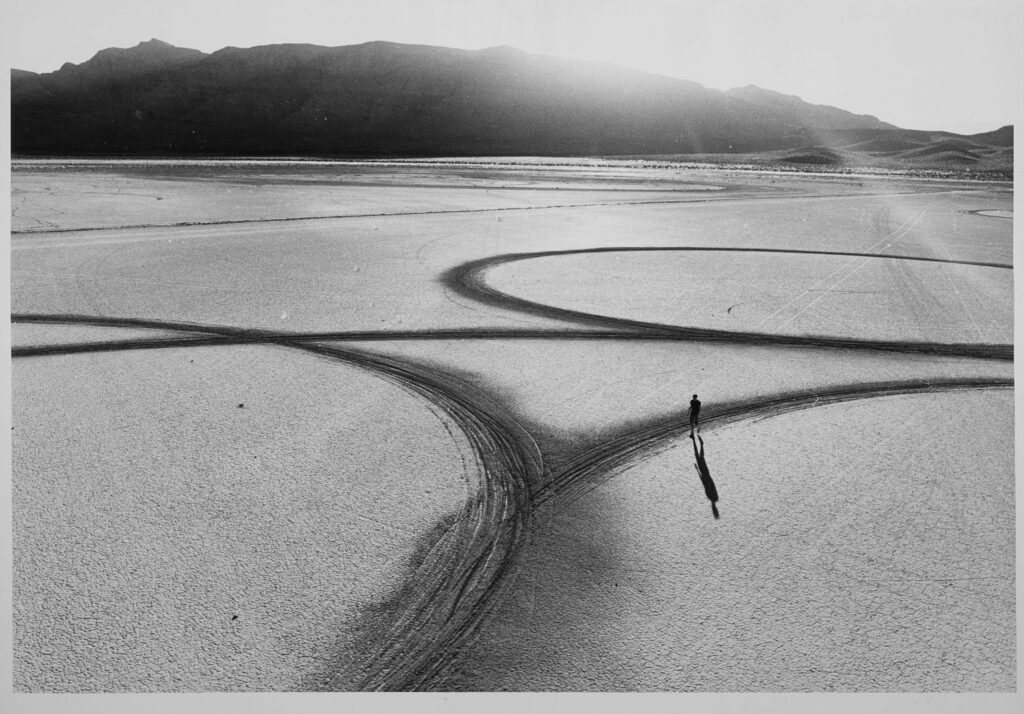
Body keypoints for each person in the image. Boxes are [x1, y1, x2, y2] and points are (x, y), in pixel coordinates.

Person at [690, 433, 720, 519]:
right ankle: (699, 443)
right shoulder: (712, 497)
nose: (713, 508)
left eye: (713, 509)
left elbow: (707, 484)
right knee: (699, 456)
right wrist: (698, 471)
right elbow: (708, 484)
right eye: (714, 509)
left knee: (699, 456)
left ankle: (696, 441)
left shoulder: (714, 497)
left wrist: (698, 471)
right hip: (705, 474)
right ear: (715, 508)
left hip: (706, 474)